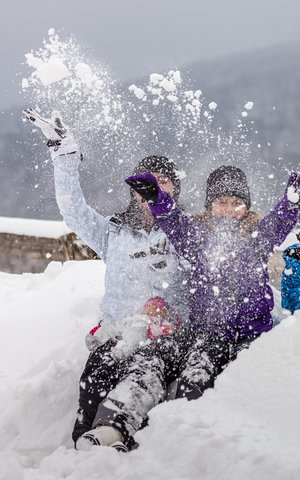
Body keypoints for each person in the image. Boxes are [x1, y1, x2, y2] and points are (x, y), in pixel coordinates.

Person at [77, 166, 300, 451]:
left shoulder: (258, 238)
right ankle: (126, 431)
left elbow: (279, 222)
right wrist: (157, 199)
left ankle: (214, 444)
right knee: (171, 371)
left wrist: (292, 202)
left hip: (251, 337)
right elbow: (175, 223)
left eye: (236, 203)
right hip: (207, 335)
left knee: (222, 381)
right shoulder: (198, 239)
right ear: (210, 206)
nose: (229, 210)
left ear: (246, 206)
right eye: (221, 202)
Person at [23, 109, 190, 447]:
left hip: (163, 336)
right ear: (133, 190)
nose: (154, 186)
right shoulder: (114, 232)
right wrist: (64, 154)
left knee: (144, 371)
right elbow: (74, 212)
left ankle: (117, 435)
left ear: (175, 189)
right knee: (95, 377)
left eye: (164, 179)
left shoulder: (185, 232)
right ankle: (82, 449)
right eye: (147, 179)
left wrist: (174, 315)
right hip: (116, 331)